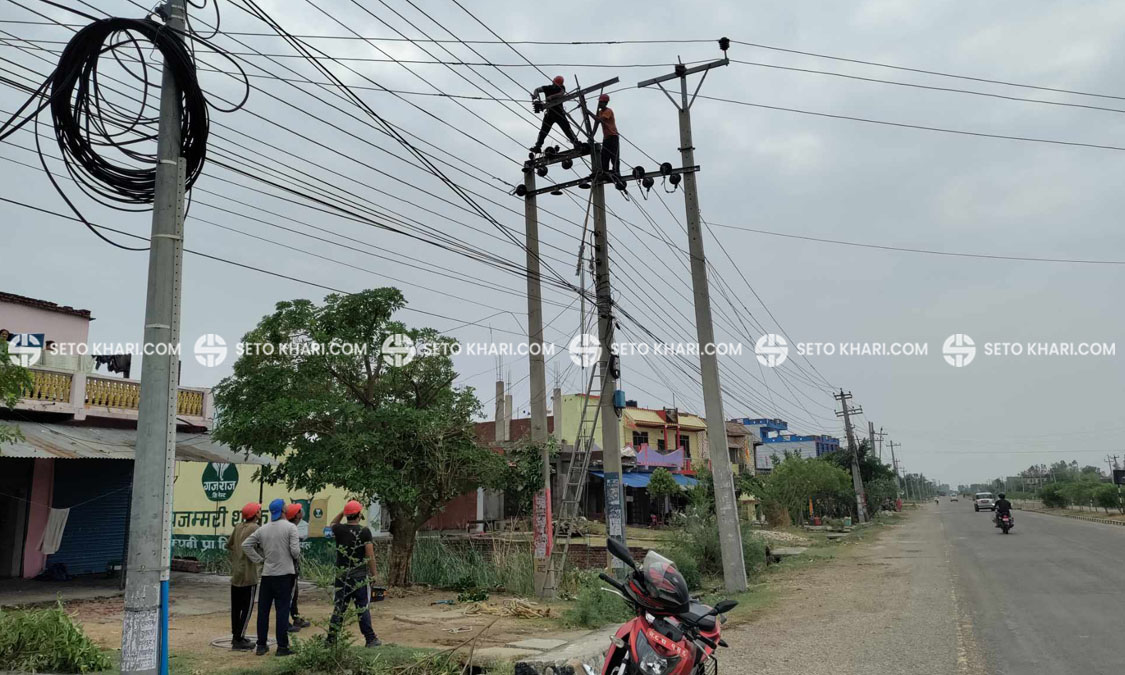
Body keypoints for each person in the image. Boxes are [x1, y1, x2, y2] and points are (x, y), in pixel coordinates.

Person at [242, 498, 300, 656]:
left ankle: (261, 645)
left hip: (267, 575)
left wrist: (259, 560)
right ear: (283, 510)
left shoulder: (263, 529)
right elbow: (295, 552)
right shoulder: (291, 528)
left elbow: (246, 545)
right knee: (282, 611)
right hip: (285, 575)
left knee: (263, 611)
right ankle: (282, 647)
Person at [327, 500, 381, 648]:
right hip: (359, 577)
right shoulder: (364, 531)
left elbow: (332, 524)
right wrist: (374, 574)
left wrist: (342, 512)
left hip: (341, 577)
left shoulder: (338, 529)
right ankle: (370, 639)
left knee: (340, 608)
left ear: (347, 515)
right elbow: (370, 555)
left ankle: (331, 640)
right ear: (359, 514)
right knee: (362, 607)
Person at [227, 502, 261, 651]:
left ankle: (236, 635)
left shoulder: (238, 527)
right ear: (255, 514)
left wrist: (237, 555)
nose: (260, 512)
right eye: (259, 511)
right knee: (247, 609)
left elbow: (229, 545)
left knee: (236, 608)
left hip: (236, 574)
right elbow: (262, 546)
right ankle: (239, 639)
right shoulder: (256, 528)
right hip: (249, 575)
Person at [530, 75, 580, 154]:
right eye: (555, 84)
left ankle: (576, 143)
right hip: (549, 114)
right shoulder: (547, 88)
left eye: (557, 85)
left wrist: (551, 97)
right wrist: (535, 96)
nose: (556, 86)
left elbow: (561, 94)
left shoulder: (561, 88)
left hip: (559, 113)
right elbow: (537, 89)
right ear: (553, 82)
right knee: (543, 131)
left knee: (567, 129)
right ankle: (538, 146)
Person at [283, 503, 311, 632]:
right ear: (296, 515)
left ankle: (295, 617)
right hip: (289, 567)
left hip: (288, 566)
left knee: (294, 593)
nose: (302, 513)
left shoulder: (288, 527)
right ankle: (287, 622)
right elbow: (294, 551)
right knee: (289, 594)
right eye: (300, 511)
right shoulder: (290, 529)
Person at [591, 94, 620, 175]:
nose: (599, 104)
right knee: (604, 156)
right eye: (599, 102)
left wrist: (587, 111)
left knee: (614, 155)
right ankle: (605, 171)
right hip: (606, 137)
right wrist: (592, 135)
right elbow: (596, 123)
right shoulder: (600, 112)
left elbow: (599, 120)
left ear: (605, 103)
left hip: (613, 136)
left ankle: (616, 172)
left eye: (601, 102)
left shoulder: (608, 111)